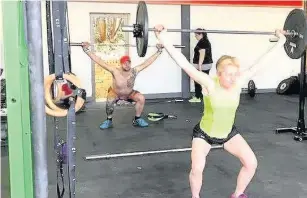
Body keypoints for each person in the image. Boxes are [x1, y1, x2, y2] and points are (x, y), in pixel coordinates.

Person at [153, 24, 287, 198]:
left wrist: (281, 41)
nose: (233, 78)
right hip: (204, 135)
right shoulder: (209, 83)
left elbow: (261, 63)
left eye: (235, 74)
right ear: (219, 73)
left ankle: (238, 194)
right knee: (197, 169)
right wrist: (163, 38)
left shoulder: (238, 82)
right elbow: (185, 64)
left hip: (228, 134)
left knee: (251, 163)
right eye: (229, 74)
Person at [81, 42, 164, 129]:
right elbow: (99, 61)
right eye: (125, 63)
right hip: (116, 93)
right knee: (110, 100)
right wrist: (86, 50)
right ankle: (109, 121)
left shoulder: (134, 71)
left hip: (129, 93)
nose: (127, 65)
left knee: (141, 98)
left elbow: (147, 62)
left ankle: (137, 119)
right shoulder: (114, 71)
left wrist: (159, 51)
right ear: (121, 64)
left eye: (129, 63)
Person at [190, 28, 213, 103]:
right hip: (206, 64)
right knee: (203, 80)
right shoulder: (205, 41)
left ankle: (198, 97)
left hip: (203, 65)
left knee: (198, 81)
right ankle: (203, 96)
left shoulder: (202, 42)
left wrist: (199, 66)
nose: (195, 36)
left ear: (201, 34)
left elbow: (202, 55)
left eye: (196, 35)